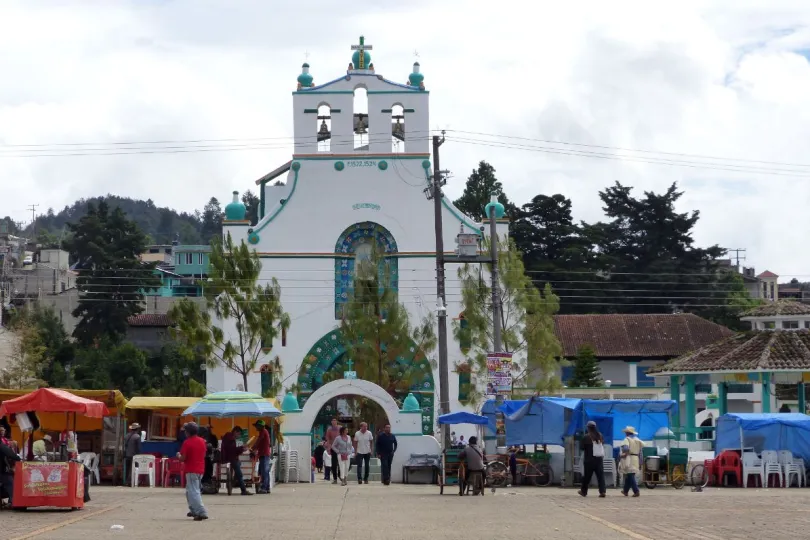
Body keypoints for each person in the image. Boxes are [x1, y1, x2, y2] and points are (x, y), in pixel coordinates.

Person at [177, 422, 208, 521]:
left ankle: (201, 511)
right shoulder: (202, 441)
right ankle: (193, 509)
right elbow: (203, 455)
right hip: (200, 469)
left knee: (194, 492)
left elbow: (183, 458)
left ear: (188, 432)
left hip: (191, 469)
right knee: (190, 491)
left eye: (185, 431)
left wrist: (178, 455)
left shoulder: (187, 442)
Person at [578, 420, 607, 498]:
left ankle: (583, 491)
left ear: (588, 428)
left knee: (587, 477)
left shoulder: (586, 437)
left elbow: (582, 448)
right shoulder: (600, 435)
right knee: (600, 476)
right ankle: (602, 491)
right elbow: (602, 444)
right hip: (599, 459)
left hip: (589, 460)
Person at [220, 426, 252, 496]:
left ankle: (235, 480)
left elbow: (234, 449)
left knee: (239, 465)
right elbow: (233, 450)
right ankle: (243, 490)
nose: (239, 436)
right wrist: (242, 449)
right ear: (235, 432)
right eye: (239, 434)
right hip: (231, 458)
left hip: (231, 457)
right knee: (240, 474)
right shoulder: (230, 438)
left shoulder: (230, 437)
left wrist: (241, 448)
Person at [619, 425, 643, 498]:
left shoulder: (627, 439)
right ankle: (625, 490)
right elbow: (640, 452)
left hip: (629, 458)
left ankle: (636, 491)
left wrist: (622, 455)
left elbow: (625, 449)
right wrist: (640, 462)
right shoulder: (637, 440)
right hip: (636, 458)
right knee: (630, 474)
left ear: (627, 433)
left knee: (630, 474)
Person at [250, 420, 272, 494]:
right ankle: (267, 488)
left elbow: (258, 442)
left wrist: (252, 448)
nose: (255, 427)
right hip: (263, 454)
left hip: (264, 454)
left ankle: (264, 488)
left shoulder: (263, 432)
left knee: (264, 472)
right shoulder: (263, 432)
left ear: (260, 426)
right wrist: (254, 449)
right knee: (264, 471)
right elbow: (259, 444)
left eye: (256, 425)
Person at [0, 437, 21, 506]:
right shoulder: (1, 446)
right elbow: (10, 454)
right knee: (10, 482)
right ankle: (13, 501)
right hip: (1, 471)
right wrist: (18, 458)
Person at [324, 418, 342, 484]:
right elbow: (328, 439)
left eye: (335, 421)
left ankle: (340, 475)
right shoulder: (329, 429)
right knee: (334, 464)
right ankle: (335, 478)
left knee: (341, 463)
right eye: (333, 421)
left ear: (337, 422)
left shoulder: (340, 428)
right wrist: (328, 448)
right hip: (333, 448)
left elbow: (344, 436)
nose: (334, 422)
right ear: (331, 422)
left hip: (340, 448)